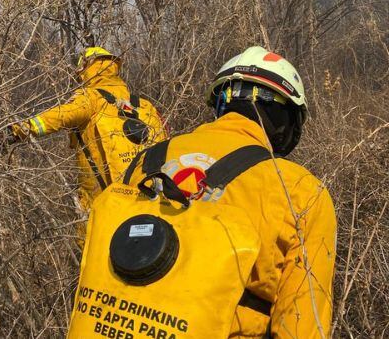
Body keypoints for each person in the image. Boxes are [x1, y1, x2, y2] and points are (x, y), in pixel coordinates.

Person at [68, 46, 335, 338]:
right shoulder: (301, 191)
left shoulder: (147, 161)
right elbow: (301, 323)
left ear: (220, 102)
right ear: (287, 120)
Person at [4, 47, 166, 214]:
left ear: (86, 68)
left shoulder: (91, 98)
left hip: (105, 200)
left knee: (92, 236)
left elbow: (60, 116)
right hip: (150, 195)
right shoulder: (145, 106)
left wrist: (17, 131)